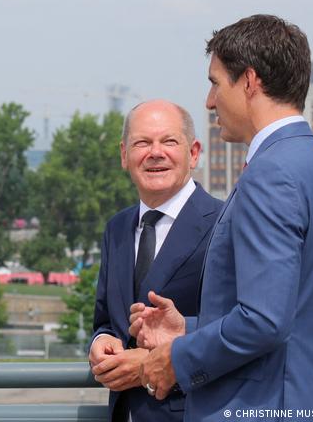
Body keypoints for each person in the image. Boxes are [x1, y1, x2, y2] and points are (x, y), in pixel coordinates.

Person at [129, 15, 313, 421]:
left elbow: (264, 321)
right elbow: (288, 313)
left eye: (215, 83)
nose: (209, 100)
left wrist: (178, 357)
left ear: (249, 81)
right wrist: (189, 328)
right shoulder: (310, 162)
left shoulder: (271, 173)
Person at [90, 99, 223, 422]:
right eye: (142, 143)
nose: (155, 153)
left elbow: (240, 327)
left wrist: (150, 362)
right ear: (124, 155)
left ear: (193, 153)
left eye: (169, 141)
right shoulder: (116, 228)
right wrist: (102, 340)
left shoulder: (225, 224)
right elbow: (107, 318)